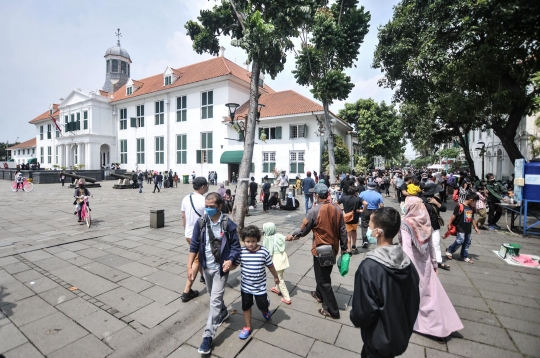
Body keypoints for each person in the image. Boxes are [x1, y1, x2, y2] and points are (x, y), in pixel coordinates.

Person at [350, 207, 420, 358]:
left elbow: (362, 313)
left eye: (370, 226)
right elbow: (414, 300)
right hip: (398, 337)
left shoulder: (369, 267)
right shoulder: (407, 262)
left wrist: (355, 317)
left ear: (379, 232)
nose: (368, 229)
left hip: (377, 341)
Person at [401, 196, 463, 343]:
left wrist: (405, 269)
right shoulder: (426, 222)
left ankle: (434, 328)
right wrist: (435, 264)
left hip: (413, 264)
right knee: (432, 295)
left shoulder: (406, 223)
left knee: (420, 296)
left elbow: (407, 250)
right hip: (427, 263)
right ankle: (444, 323)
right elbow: (431, 246)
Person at [188, 192, 241, 355]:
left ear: (219, 206)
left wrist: (231, 260)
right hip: (206, 268)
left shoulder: (228, 224)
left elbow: (236, 247)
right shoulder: (201, 222)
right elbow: (195, 244)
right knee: (213, 296)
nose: (208, 209)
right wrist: (189, 266)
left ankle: (208, 336)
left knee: (215, 301)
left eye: (211, 207)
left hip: (220, 269)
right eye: (206, 206)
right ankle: (223, 312)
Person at [286, 183, 347, 319]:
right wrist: (344, 248)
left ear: (317, 196)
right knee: (324, 273)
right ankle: (319, 295)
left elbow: (304, 229)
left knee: (323, 280)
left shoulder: (314, 211)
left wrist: (292, 235)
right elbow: (343, 230)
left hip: (322, 248)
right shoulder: (337, 209)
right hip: (333, 247)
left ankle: (333, 311)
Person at [230, 225, 280, 339]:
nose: (250, 244)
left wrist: (276, 276)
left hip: (260, 287)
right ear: (243, 241)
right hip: (246, 287)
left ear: (257, 240)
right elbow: (235, 265)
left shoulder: (264, 252)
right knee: (246, 306)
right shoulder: (241, 252)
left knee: (262, 305)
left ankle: (265, 309)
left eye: (253, 241)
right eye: (247, 241)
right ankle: (247, 326)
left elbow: (270, 266)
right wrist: (229, 267)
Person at [180, 177, 209, 302]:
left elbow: (183, 216)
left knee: (198, 256)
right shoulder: (205, 200)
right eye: (206, 186)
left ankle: (204, 277)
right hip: (199, 235)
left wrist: (186, 229)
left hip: (188, 234)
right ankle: (187, 291)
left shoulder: (186, 198)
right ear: (203, 187)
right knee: (196, 260)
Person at [421, 182, 449, 270]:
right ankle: (425, 260)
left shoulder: (436, 199)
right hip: (424, 226)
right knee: (424, 244)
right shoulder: (421, 200)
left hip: (435, 224)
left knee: (436, 243)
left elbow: (444, 209)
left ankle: (438, 261)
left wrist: (436, 203)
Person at [446, 192, 480, 264]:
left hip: (468, 228)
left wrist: (475, 227)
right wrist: (449, 223)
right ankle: (449, 250)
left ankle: (464, 256)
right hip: (460, 227)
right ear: (471, 200)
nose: (475, 203)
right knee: (460, 240)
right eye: (475, 201)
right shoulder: (460, 206)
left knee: (467, 242)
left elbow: (472, 219)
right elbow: (454, 215)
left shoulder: (471, 208)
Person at [263, 222, 291, 304]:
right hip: (283, 258)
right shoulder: (278, 235)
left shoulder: (267, 238)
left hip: (277, 260)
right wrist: (291, 237)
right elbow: (286, 238)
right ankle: (277, 289)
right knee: (280, 274)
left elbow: (266, 251)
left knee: (279, 279)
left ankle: (287, 298)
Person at [359, 182, 384, 249]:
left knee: (364, 225)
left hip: (365, 210)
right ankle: (374, 238)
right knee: (375, 225)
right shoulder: (378, 194)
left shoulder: (362, 193)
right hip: (375, 211)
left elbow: (359, 201)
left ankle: (365, 240)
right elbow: (381, 205)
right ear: (375, 187)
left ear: (367, 186)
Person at [338, 186, 363, 255]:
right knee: (354, 231)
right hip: (355, 218)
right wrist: (362, 210)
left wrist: (342, 209)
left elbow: (335, 203)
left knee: (348, 235)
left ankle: (349, 249)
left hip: (347, 218)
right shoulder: (358, 199)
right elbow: (366, 203)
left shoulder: (344, 198)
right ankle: (354, 245)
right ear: (355, 192)